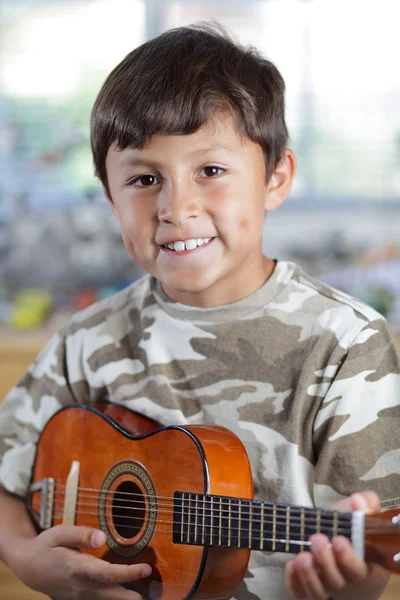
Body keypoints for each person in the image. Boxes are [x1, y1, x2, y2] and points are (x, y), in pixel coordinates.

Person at [0, 23, 399, 600]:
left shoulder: (346, 345)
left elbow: (369, 563)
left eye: (210, 171)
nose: (175, 208)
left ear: (275, 177)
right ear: (110, 198)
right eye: (143, 179)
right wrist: (26, 558)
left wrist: (345, 583)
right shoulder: (85, 341)